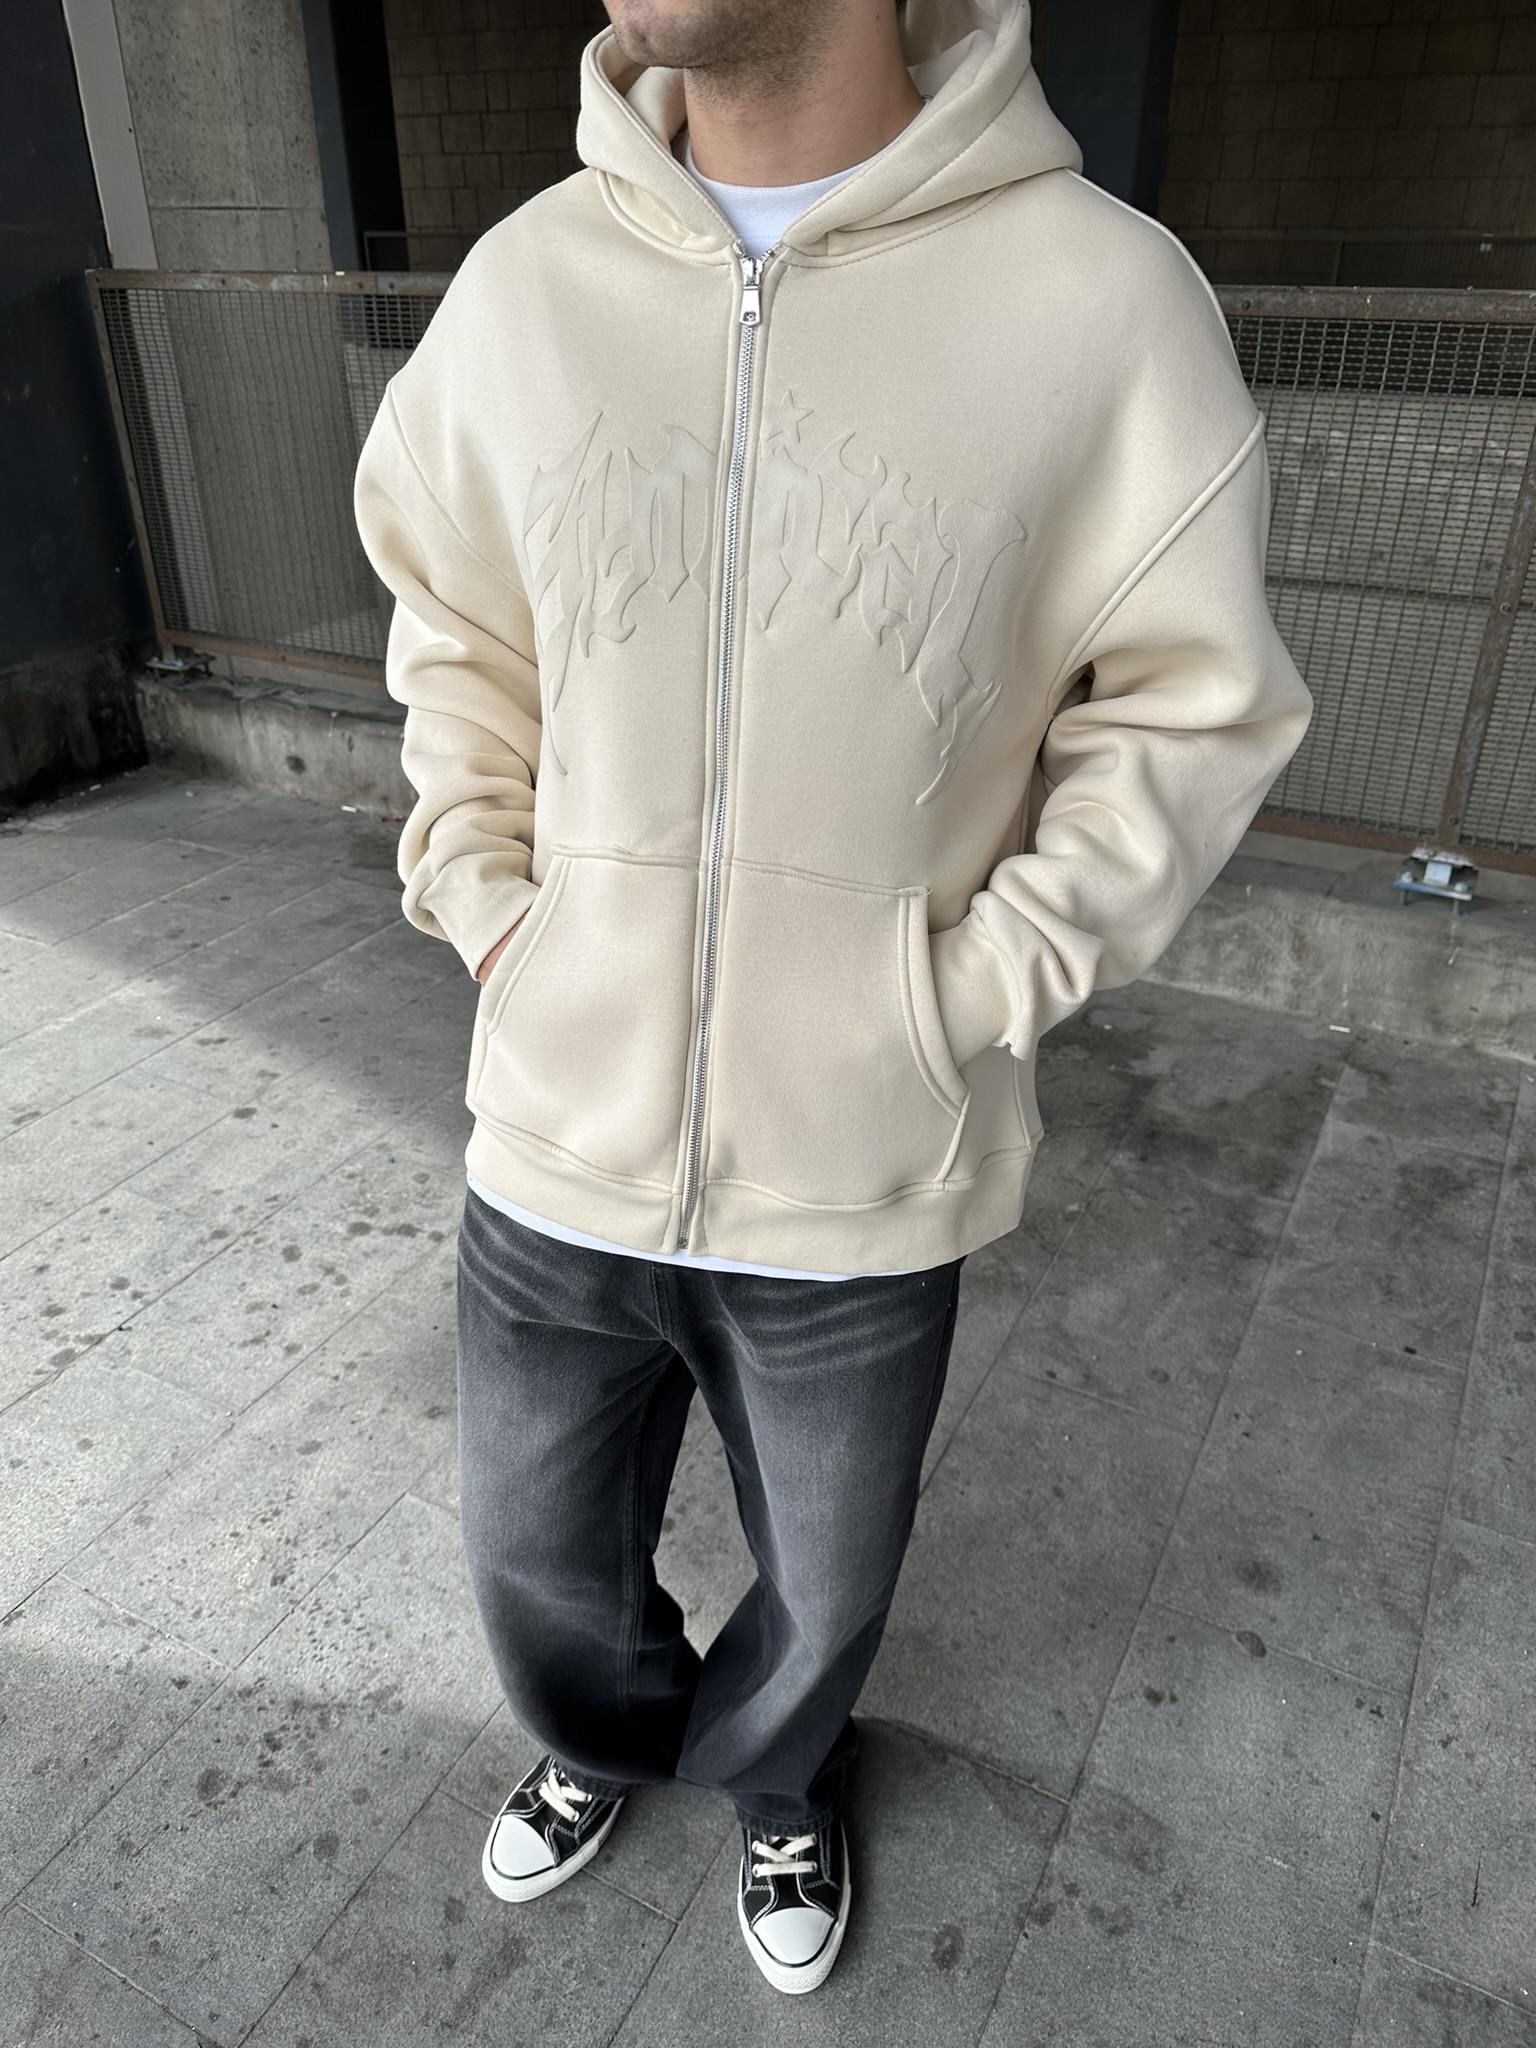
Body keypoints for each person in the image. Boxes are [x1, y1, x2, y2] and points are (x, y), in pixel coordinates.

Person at [351, 0, 1314, 1997]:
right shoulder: (528, 287)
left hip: (865, 1165)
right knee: (531, 1557)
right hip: (554, 1132)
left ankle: (780, 1772)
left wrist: (966, 988)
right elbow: (456, 624)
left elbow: (1188, 706)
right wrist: (495, 911)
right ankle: (603, 1734)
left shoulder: (1103, 303)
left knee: (828, 1576)